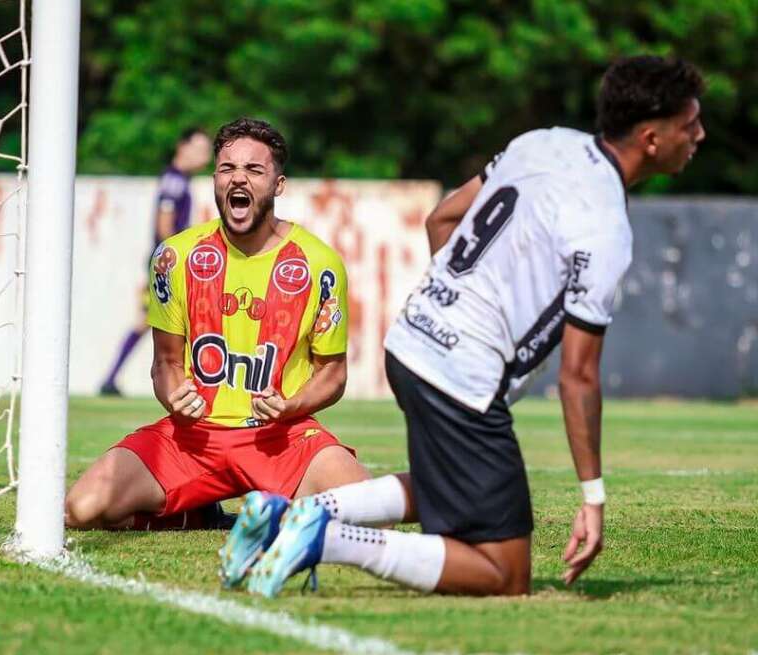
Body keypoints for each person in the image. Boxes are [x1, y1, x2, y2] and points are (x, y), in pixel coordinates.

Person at [229, 56, 706, 596]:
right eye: (690, 124)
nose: (699, 135)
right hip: (460, 376)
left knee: (444, 485)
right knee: (504, 572)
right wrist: (592, 496)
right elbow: (579, 378)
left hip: (410, 341)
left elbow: (442, 218)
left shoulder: (541, 142)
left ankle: (285, 515)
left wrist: (448, 309)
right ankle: (323, 538)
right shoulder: (606, 229)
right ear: (650, 137)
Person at [67, 117, 370, 539]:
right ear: (215, 178)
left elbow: (333, 373)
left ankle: (279, 508)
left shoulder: (320, 264)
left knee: (370, 513)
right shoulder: (175, 257)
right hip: (194, 438)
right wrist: (174, 396)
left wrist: (291, 406)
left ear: (278, 185)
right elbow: (166, 363)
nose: (238, 178)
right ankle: (199, 513)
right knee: (83, 508)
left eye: (254, 170)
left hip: (282, 436)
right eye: (227, 169)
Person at [99, 127, 213, 396]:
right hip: (168, 265)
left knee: (152, 320)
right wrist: (177, 259)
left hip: (163, 262)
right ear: (182, 147)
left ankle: (112, 379)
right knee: (174, 321)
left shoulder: (178, 179)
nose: (205, 157)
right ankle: (184, 384)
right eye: (201, 149)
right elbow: (163, 225)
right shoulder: (175, 182)